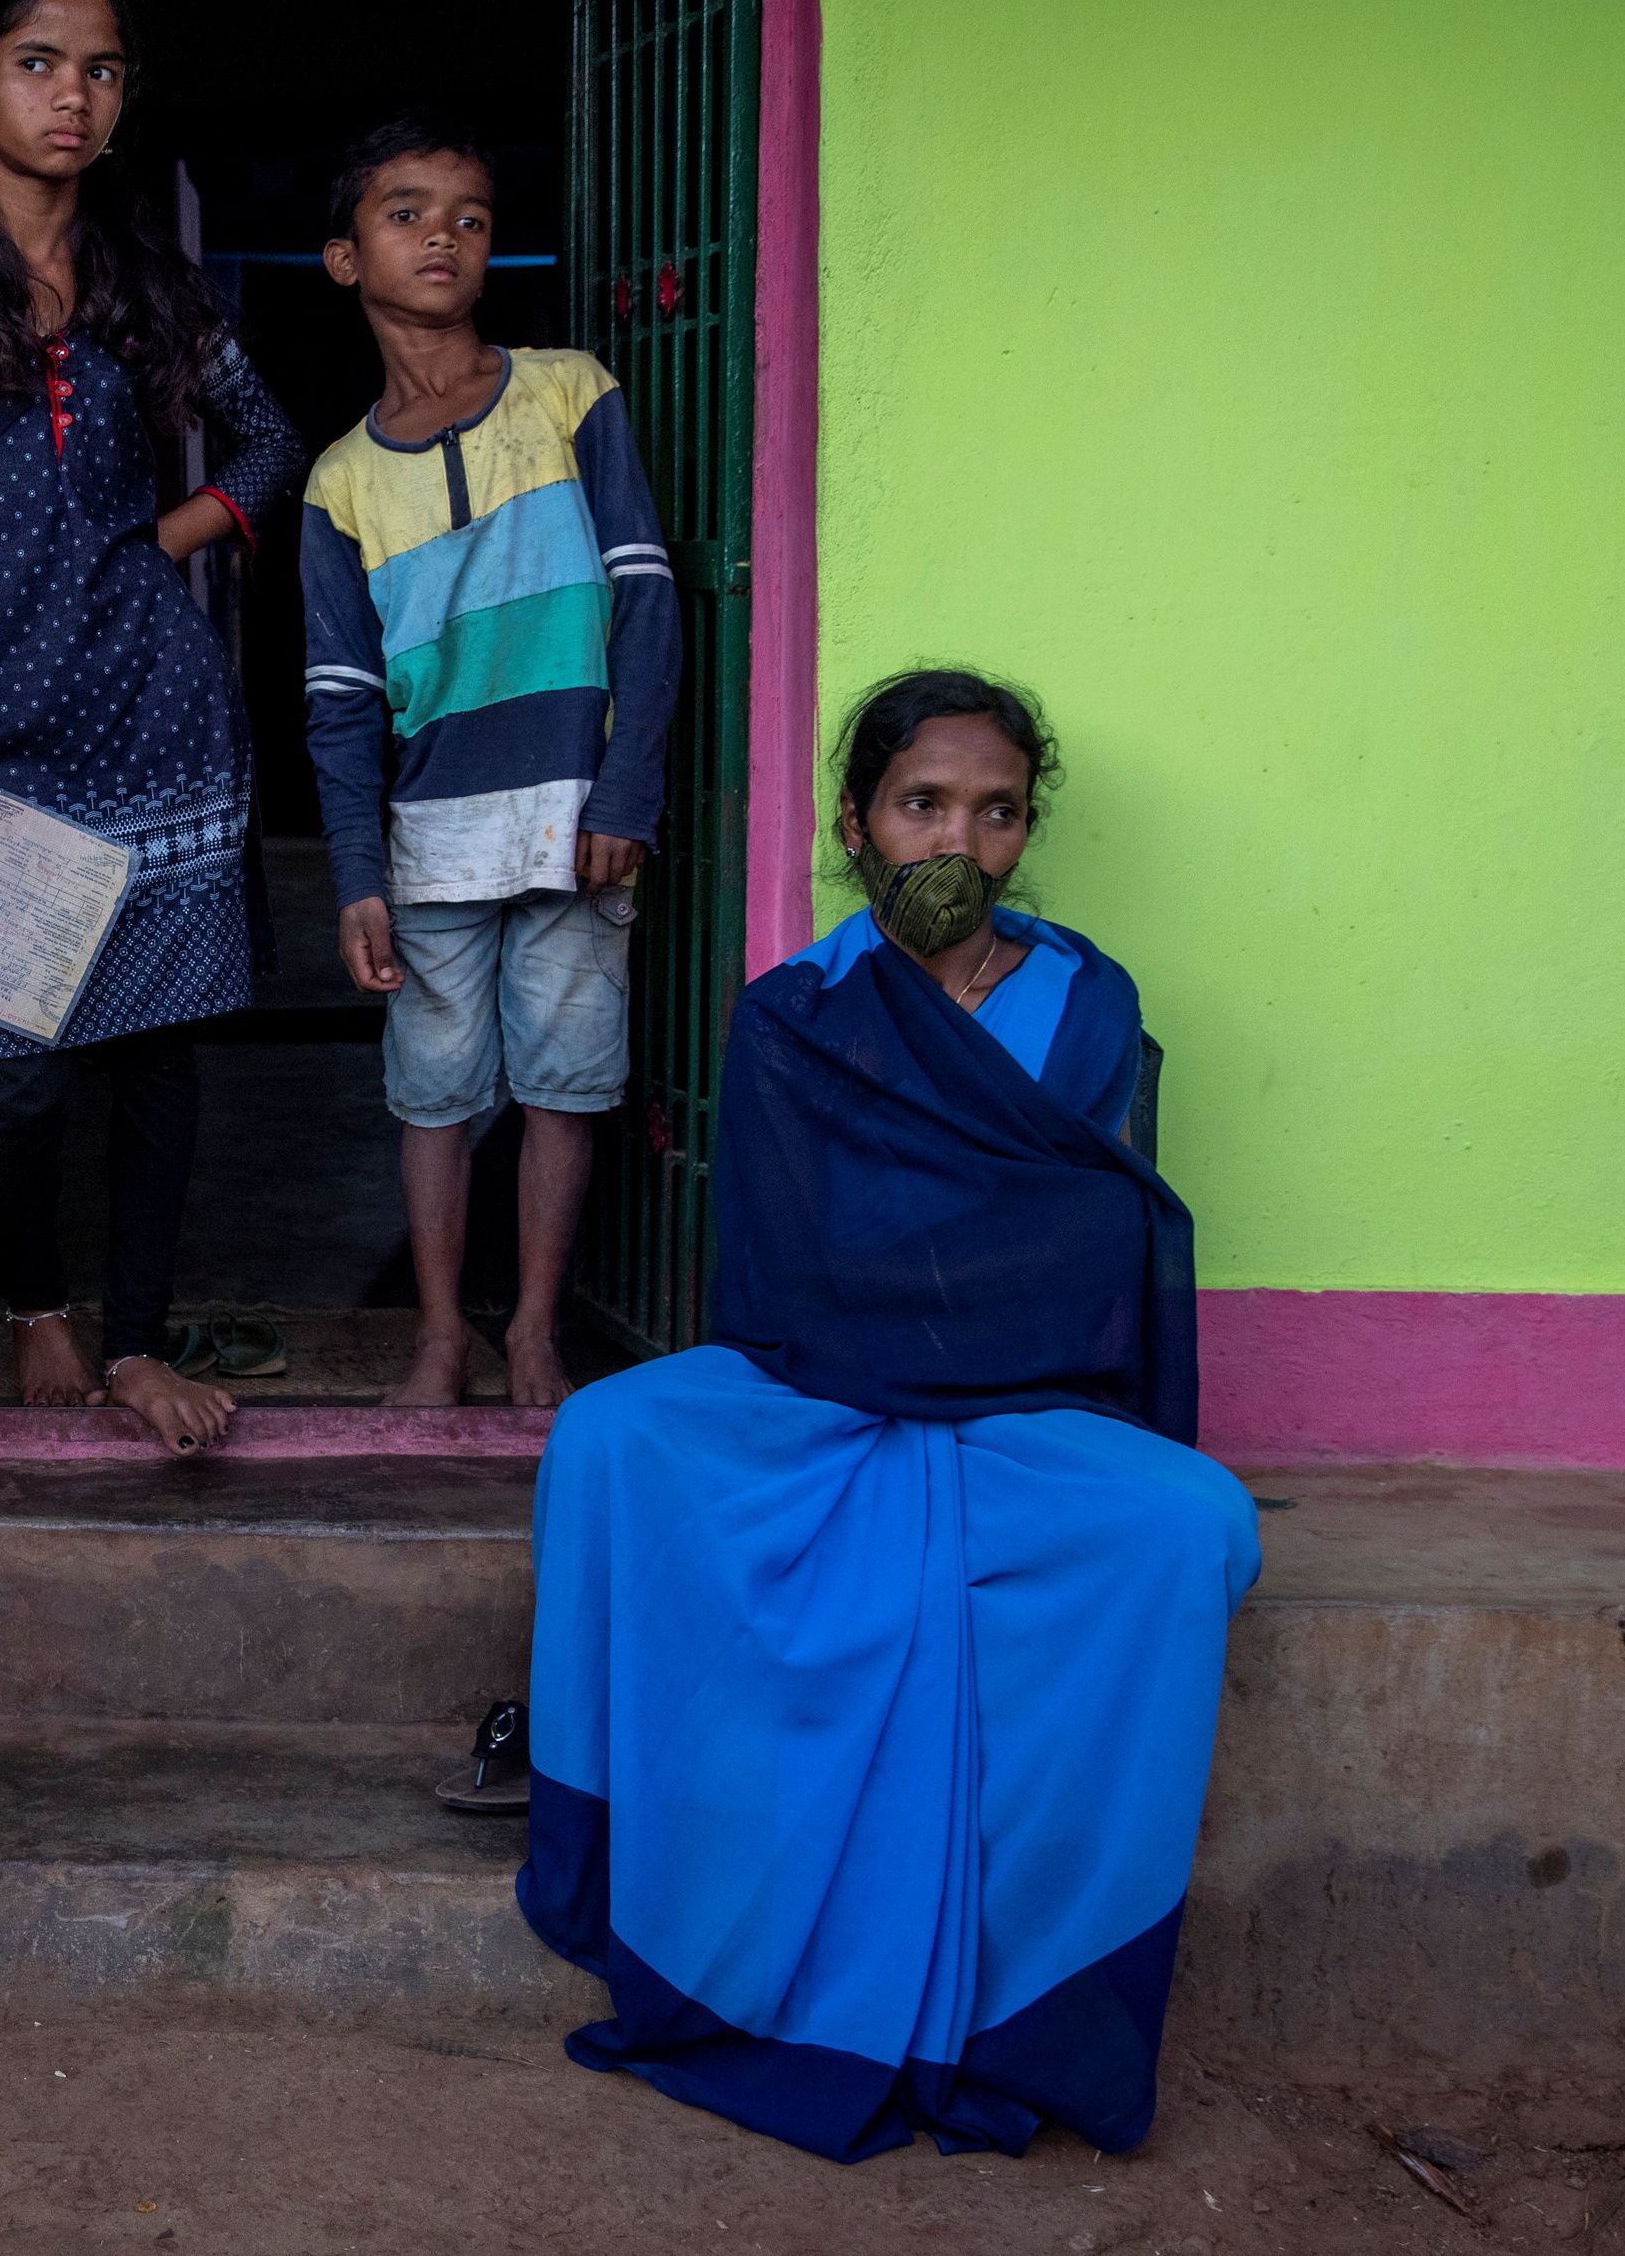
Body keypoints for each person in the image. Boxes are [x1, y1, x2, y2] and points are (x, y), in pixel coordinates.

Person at [514, 669, 1261, 2163]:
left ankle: (1045, 1988)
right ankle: (641, 1877)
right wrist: (931, 1297)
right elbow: (796, 1272)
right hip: (819, 1396)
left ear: (1022, 831)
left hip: (1022, 1409)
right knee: (607, 1439)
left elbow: (1077, 1262)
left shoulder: (1086, 999)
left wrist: (936, 1300)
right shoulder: (795, 1015)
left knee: (1197, 1520)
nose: (958, 840)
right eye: (924, 802)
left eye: (996, 812)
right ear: (857, 823)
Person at [0, 0, 305, 1454]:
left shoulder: (146, 286)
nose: (73, 94)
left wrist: (158, 541)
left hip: (155, 713)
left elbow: (266, 440)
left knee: (159, 1055)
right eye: (39, 63)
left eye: (102, 70)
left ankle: (133, 1343)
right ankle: (36, 1302)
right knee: (18, 1072)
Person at [300, 116, 679, 1410]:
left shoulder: (571, 391)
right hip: (430, 832)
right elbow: (341, 702)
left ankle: (529, 1330)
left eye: (468, 215)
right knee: (432, 1094)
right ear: (345, 258)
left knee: (568, 1080)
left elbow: (647, 594)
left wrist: (628, 789)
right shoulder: (338, 483)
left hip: (577, 814)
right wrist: (357, 873)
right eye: (405, 214)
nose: (443, 237)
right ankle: (440, 1337)